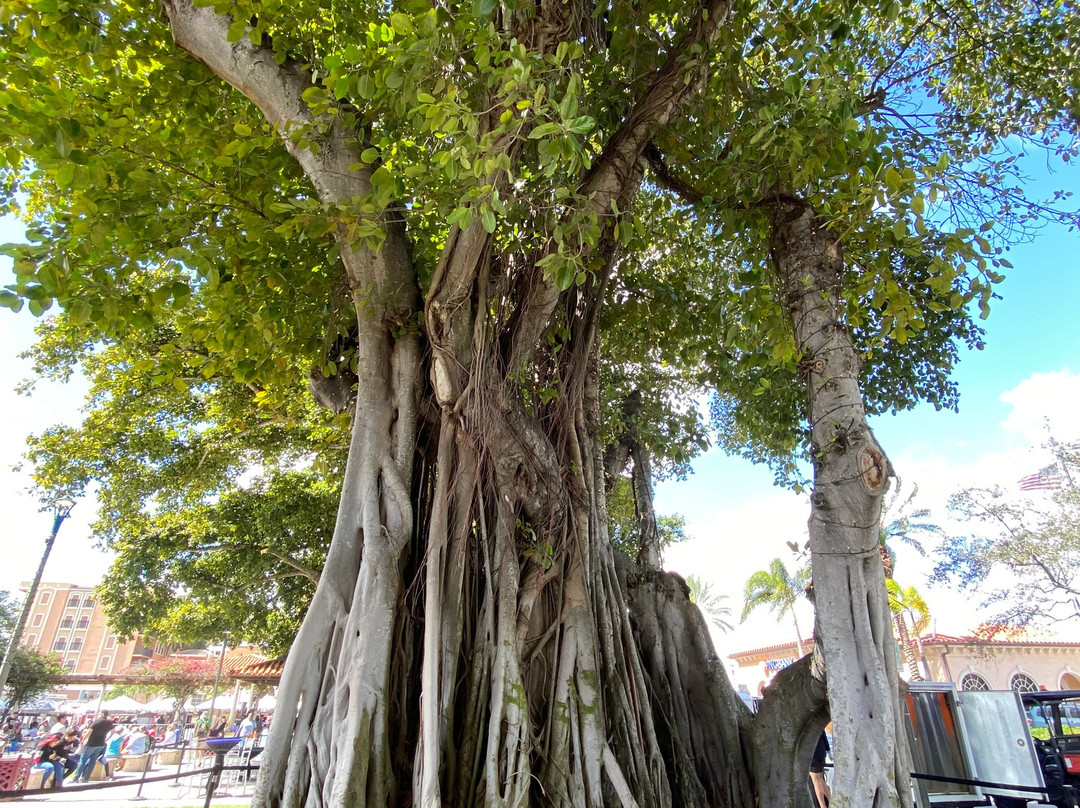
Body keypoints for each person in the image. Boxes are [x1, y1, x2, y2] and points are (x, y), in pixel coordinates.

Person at [73, 710, 114, 782]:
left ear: (101, 714)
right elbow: (113, 732)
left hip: (91, 743)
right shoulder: (109, 723)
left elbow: (89, 732)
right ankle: (86, 778)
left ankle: (76, 778)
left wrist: (82, 740)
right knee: (92, 761)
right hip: (101, 744)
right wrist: (106, 739)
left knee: (83, 760)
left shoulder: (96, 721)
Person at [809, 731, 831, 808]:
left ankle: (822, 805)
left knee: (816, 781)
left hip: (812, 752)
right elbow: (824, 735)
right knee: (820, 780)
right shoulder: (817, 724)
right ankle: (831, 801)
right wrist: (828, 750)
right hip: (821, 751)